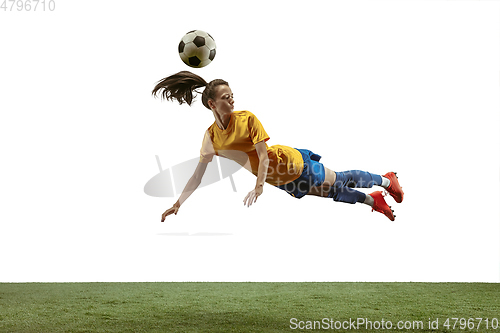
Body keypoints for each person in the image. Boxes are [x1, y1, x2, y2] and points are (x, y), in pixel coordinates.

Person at [152, 71, 404, 222]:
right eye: (225, 98)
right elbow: (197, 175)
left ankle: (385, 180)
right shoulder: (210, 139)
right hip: (279, 180)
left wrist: (258, 186)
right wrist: (178, 203)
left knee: (340, 179)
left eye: (232, 96)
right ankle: (374, 202)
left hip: (290, 163)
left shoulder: (247, 118)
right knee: (333, 194)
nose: (232, 100)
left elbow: (262, 156)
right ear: (212, 104)